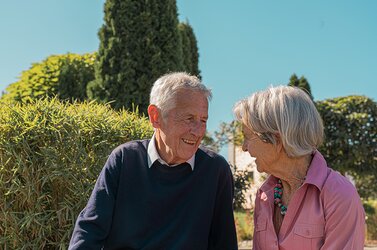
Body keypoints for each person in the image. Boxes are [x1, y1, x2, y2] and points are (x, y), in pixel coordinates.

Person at [69, 72, 238, 249]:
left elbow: (224, 243)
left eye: (203, 120)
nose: (197, 131)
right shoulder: (124, 159)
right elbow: (89, 230)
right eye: (189, 118)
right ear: (155, 116)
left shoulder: (215, 170)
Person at [233, 86, 365, 250]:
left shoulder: (339, 195)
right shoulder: (264, 195)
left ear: (276, 138)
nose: (244, 147)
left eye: (247, 137)